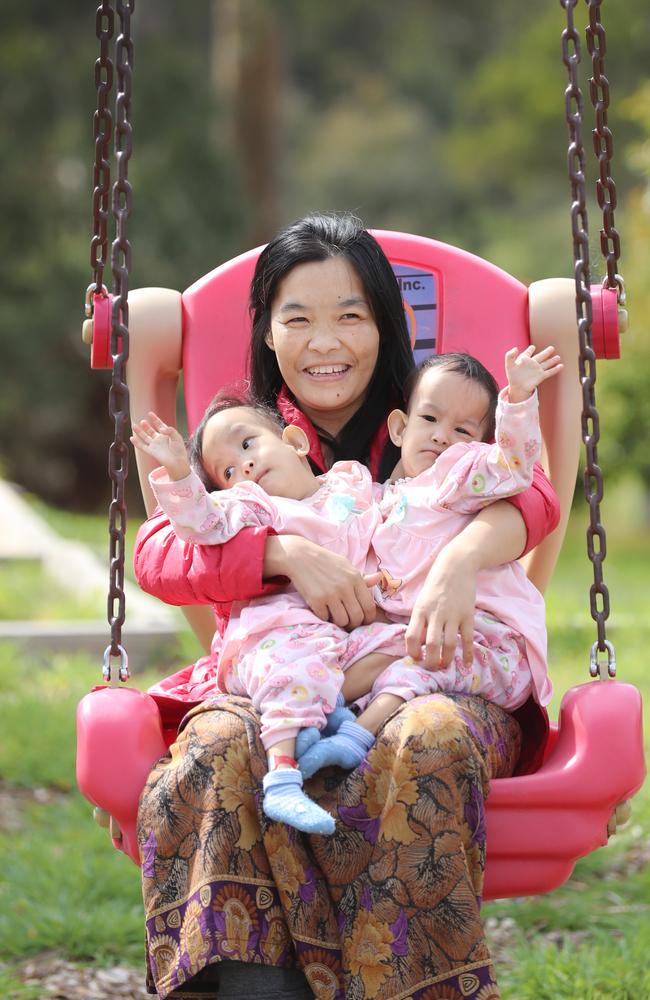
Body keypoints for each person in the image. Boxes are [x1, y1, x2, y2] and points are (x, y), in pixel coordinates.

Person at [133, 213, 561, 1000]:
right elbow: (160, 551)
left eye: (350, 317)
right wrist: (281, 554)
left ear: (383, 326)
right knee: (217, 749)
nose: (324, 342)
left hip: (427, 672)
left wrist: (461, 561)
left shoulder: (432, 417)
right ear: (267, 333)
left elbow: (528, 494)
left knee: (422, 738)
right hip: (287, 677)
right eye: (297, 319)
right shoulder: (244, 441)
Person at [131, 395, 407, 835]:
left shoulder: (350, 483)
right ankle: (283, 778)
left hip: (350, 634)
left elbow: (393, 519)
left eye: (247, 444)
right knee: (296, 668)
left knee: (408, 644)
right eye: (226, 471)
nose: (243, 467)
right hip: (280, 635)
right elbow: (200, 523)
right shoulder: (251, 508)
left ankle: (330, 715)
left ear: (295, 441)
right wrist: (181, 472)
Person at [298, 345, 562, 779]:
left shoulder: (457, 480)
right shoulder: (376, 500)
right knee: (343, 653)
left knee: (417, 665)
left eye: (462, 429)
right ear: (400, 427)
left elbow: (514, 467)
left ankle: (352, 738)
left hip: (481, 644)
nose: (442, 436)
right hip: (412, 639)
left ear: (479, 446)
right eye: (429, 419)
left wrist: (517, 399)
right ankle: (315, 712)